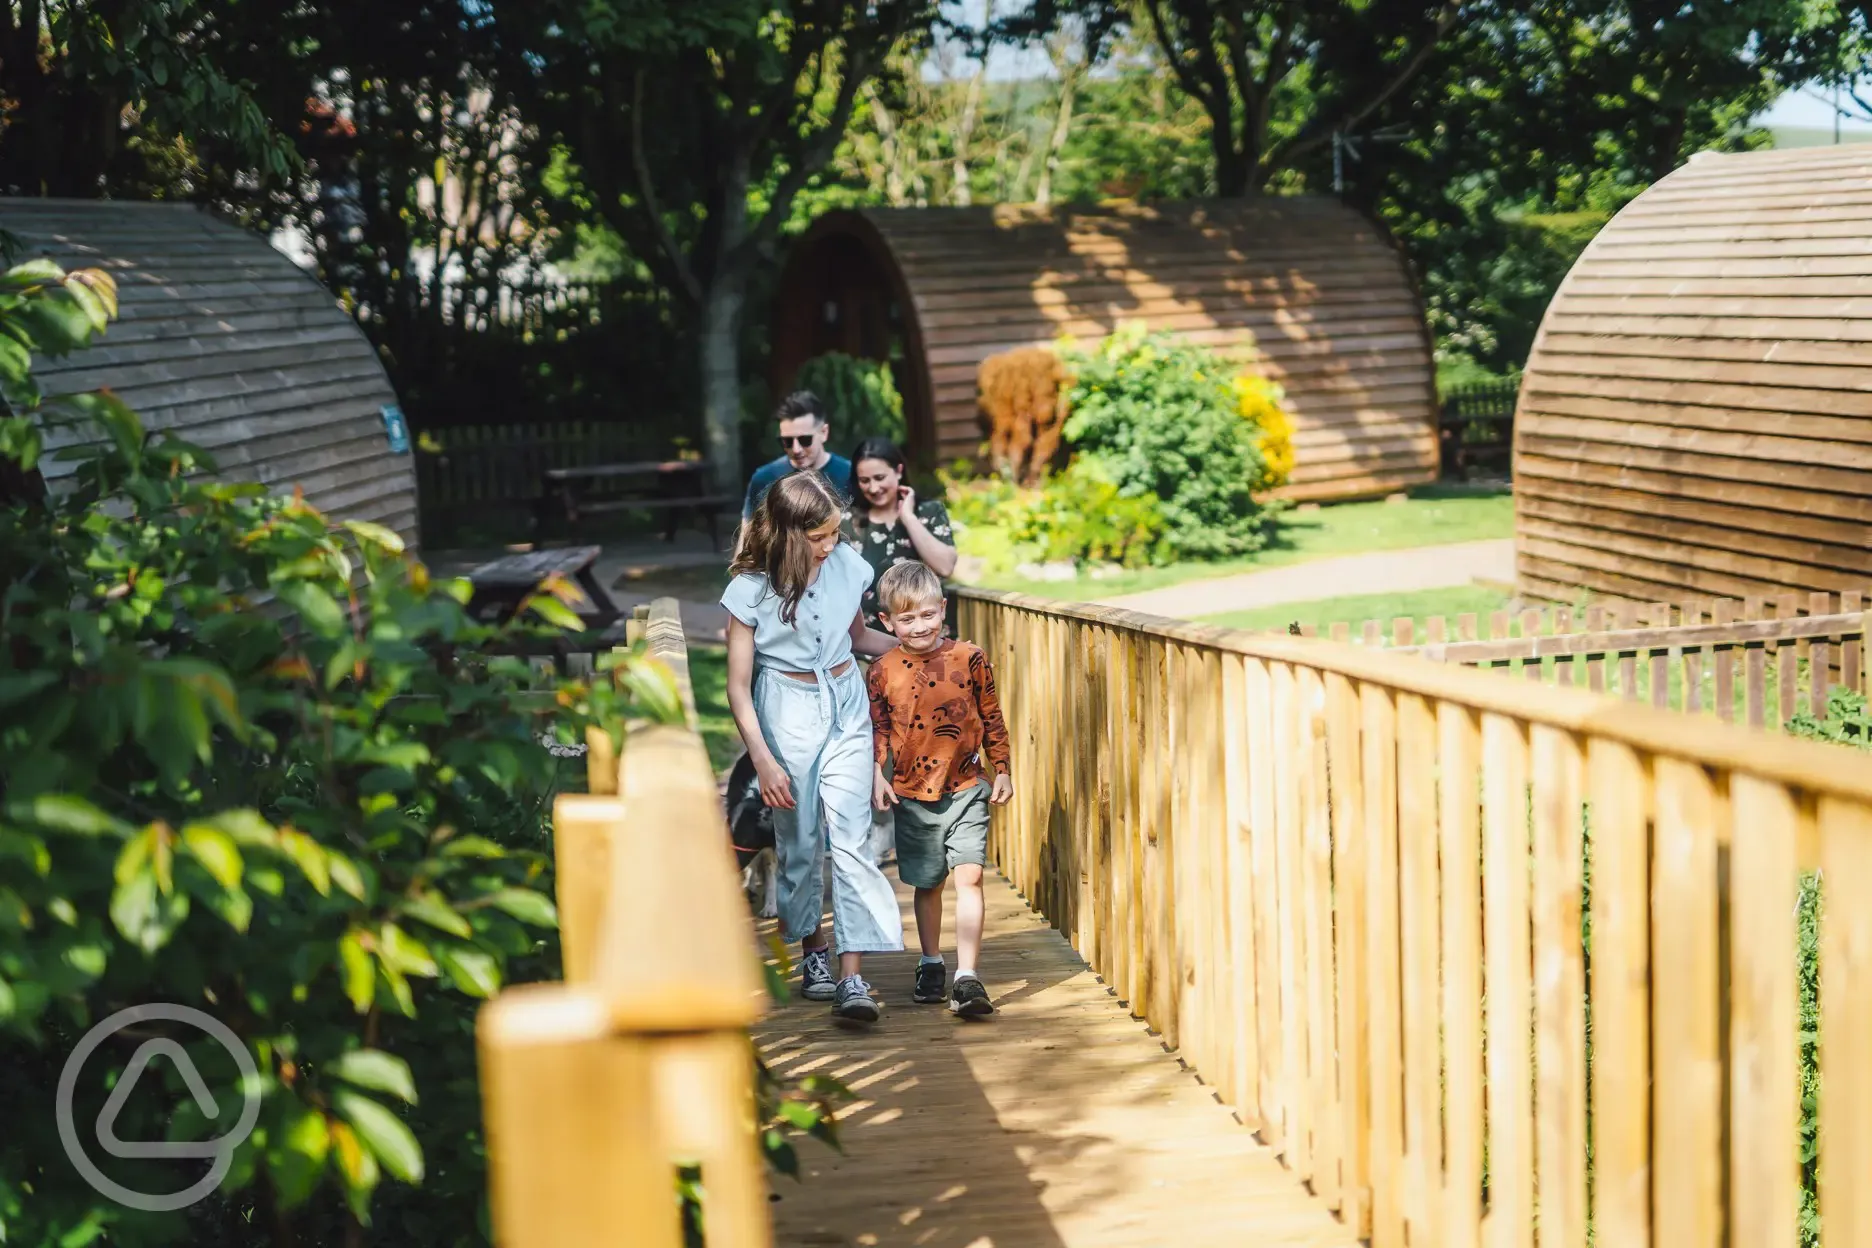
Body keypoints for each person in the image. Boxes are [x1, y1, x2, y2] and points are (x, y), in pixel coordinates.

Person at [721, 471, 903, 1023]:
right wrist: (762, 758)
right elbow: (736, 685)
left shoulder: (848, 564)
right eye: (820, 537)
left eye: (834, 533)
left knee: (850, 840)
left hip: (846, 701)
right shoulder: (750, 590)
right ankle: (813, 952)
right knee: (799, 842)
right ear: (788, 534)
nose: (832, 545)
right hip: (785, 708)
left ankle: (852, 978)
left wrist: (923, 650)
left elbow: (858, 638)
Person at [867, 561, 1013, 1018]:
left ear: (943, 609)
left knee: (969, 876)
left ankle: (967, 977)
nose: (919, 626)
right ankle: (931, 961)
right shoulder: (882, 670)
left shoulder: (970, 658)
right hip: (913, 793)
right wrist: (876, 773)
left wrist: (1002, 767)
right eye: (906, 619)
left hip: (968, 785)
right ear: (887, 622)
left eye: (928, 615)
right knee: (929, 883)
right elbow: (878, 728)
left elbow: (991, 715)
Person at [844, 437, 957, 633]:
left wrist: (908, 518)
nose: (873, 488)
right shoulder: (846, 522)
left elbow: (945, 566)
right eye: (864, 480)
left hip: (927, 638)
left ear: (898, 471)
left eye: (879, 478)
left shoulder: (929, 512)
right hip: (869, 645)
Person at [742, 391, 853, 523]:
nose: (796, 449)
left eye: (805, 440)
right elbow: (748, 534)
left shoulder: (851, 475)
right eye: (787, 441)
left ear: (824, 432)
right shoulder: (764, 478)